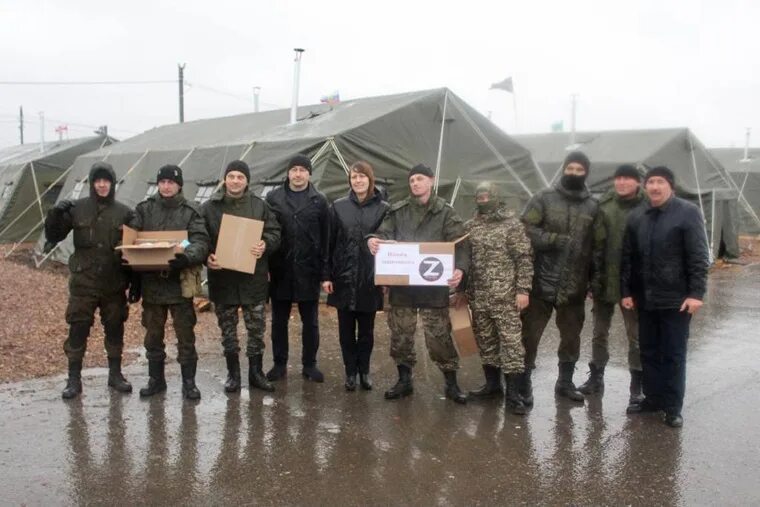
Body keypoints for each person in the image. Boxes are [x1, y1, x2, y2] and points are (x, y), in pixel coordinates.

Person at [368, 163, 470, 403]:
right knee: (401, 336)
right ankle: (404, 381)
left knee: (439, 337)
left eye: (420, 179)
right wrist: (373, 241)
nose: (415, 184)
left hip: (433, 287)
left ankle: (451, 383)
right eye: (412, 180)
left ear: (431, 181)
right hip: (403, 288)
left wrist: (461, 269)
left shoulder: (445, 212)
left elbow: (462, 242)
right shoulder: (398, 210)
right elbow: (383, 235)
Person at [621, 166, 709, 428]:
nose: (655, 187)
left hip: (676, 300)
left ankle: (672, 406)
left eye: (660, 182)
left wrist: (696, 293)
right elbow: (628, 258)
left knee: (673, 353)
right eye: (651, 182)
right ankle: (653, 398)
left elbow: (698, 256)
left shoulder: (687, 212)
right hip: (645, 300)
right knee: (648, 351)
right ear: (645, 187)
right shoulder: (638, 216)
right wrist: (626, 291)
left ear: (670, 185)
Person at [43, 162, 137, 399]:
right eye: (98, 181)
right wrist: (55, 214)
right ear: (92, 183)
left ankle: (115, 375)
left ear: (113, 184)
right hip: (83, 283)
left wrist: (136, 282)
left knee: (115, 328)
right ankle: (73, 379)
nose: (102, 185)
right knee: (78, 328)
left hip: (114, 283)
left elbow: (134, 251)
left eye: (106, 181)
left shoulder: (124, 213)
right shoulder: (77, 209)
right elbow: (54, 235)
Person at [520, 151, 604, 405]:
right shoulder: (543, 199)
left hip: (575, 286)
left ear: (586, 173)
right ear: (563, 169)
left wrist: (594, 280)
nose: (574, 173)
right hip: (540, 283)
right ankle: (523, 384)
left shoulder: (593, 206)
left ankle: (565, 382)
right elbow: (525, 229)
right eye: (571, 168)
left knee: (571, 337)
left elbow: (598, 246)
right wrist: (553, 240)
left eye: (580, 170)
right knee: (529, 336)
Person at [201, 160, 281, 394]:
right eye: (231, 176)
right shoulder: (209, 207)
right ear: (225, 179)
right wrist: (207, 256)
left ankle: (256, 373)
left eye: (240, 177)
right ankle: (233, 374)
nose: (235, 181)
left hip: (252, 279)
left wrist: (265, 244)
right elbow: (198, 236)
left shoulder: (259, 206)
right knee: (228, 330)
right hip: (223, 279)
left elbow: (275, 232)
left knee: (256, 329)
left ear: (247, 181)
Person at [132, 165, 210, 400]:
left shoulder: (191, 211)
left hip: (179, 284)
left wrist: (187, 257)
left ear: (179, 185)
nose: (166, 186)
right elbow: (130, 237)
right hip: (152, 284)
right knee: (152, 335)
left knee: (185, 335)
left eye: (171, 182)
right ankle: (156, 380)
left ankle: (189, 382)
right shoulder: (144, 210)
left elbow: (201, 241)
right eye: (163, 182)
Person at [460, 182, 533, 414]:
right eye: (479, 196)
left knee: (512, 344)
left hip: (506, 298)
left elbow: (524, 258)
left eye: (486, 196)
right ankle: (493, 386)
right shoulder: (470, 226)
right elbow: (463, 259)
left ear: (496, 197)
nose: (482, 199)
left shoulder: (511, 225)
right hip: (479, 297)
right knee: (486, 341)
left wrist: (523, 290)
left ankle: (514, 394)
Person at [579, 164, 647, 409]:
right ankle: (596, 378)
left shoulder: (646, 207)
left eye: (628, 179)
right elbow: (592, 245)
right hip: (604, 280)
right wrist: (590, 279)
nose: (622, 183)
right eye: (619, 178)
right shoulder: (604, 205)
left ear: (638, 182)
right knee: (599, 332)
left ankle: (637, 387)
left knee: (636, 336)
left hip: (632, 283)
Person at [322, 161, 389, 391]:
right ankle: (350, 372)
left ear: (371, 180)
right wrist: (327, 275)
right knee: (345, 331)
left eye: (362, 177)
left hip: (370, 279)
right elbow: (329, 243)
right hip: (344, 277)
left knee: (367, 331)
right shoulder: (338, 207)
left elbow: (389, 241)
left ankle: (365, 371)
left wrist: (387, 278)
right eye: (353, 177)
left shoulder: (383, 208)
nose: (357, 181)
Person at [265, 155, 329, 383]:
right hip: (280, 268)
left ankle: (310, 365)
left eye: (303, 170)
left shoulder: (319, 200)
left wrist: (325, 273)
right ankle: (279, 364)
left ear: (309, 174)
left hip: (308, 269)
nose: (298, 174)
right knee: (278, 321)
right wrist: (266, 267)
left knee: (310, 321)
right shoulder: (273, 198)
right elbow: (266, 232)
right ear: (288, 173)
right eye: (294, 170)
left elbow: (325, 238)